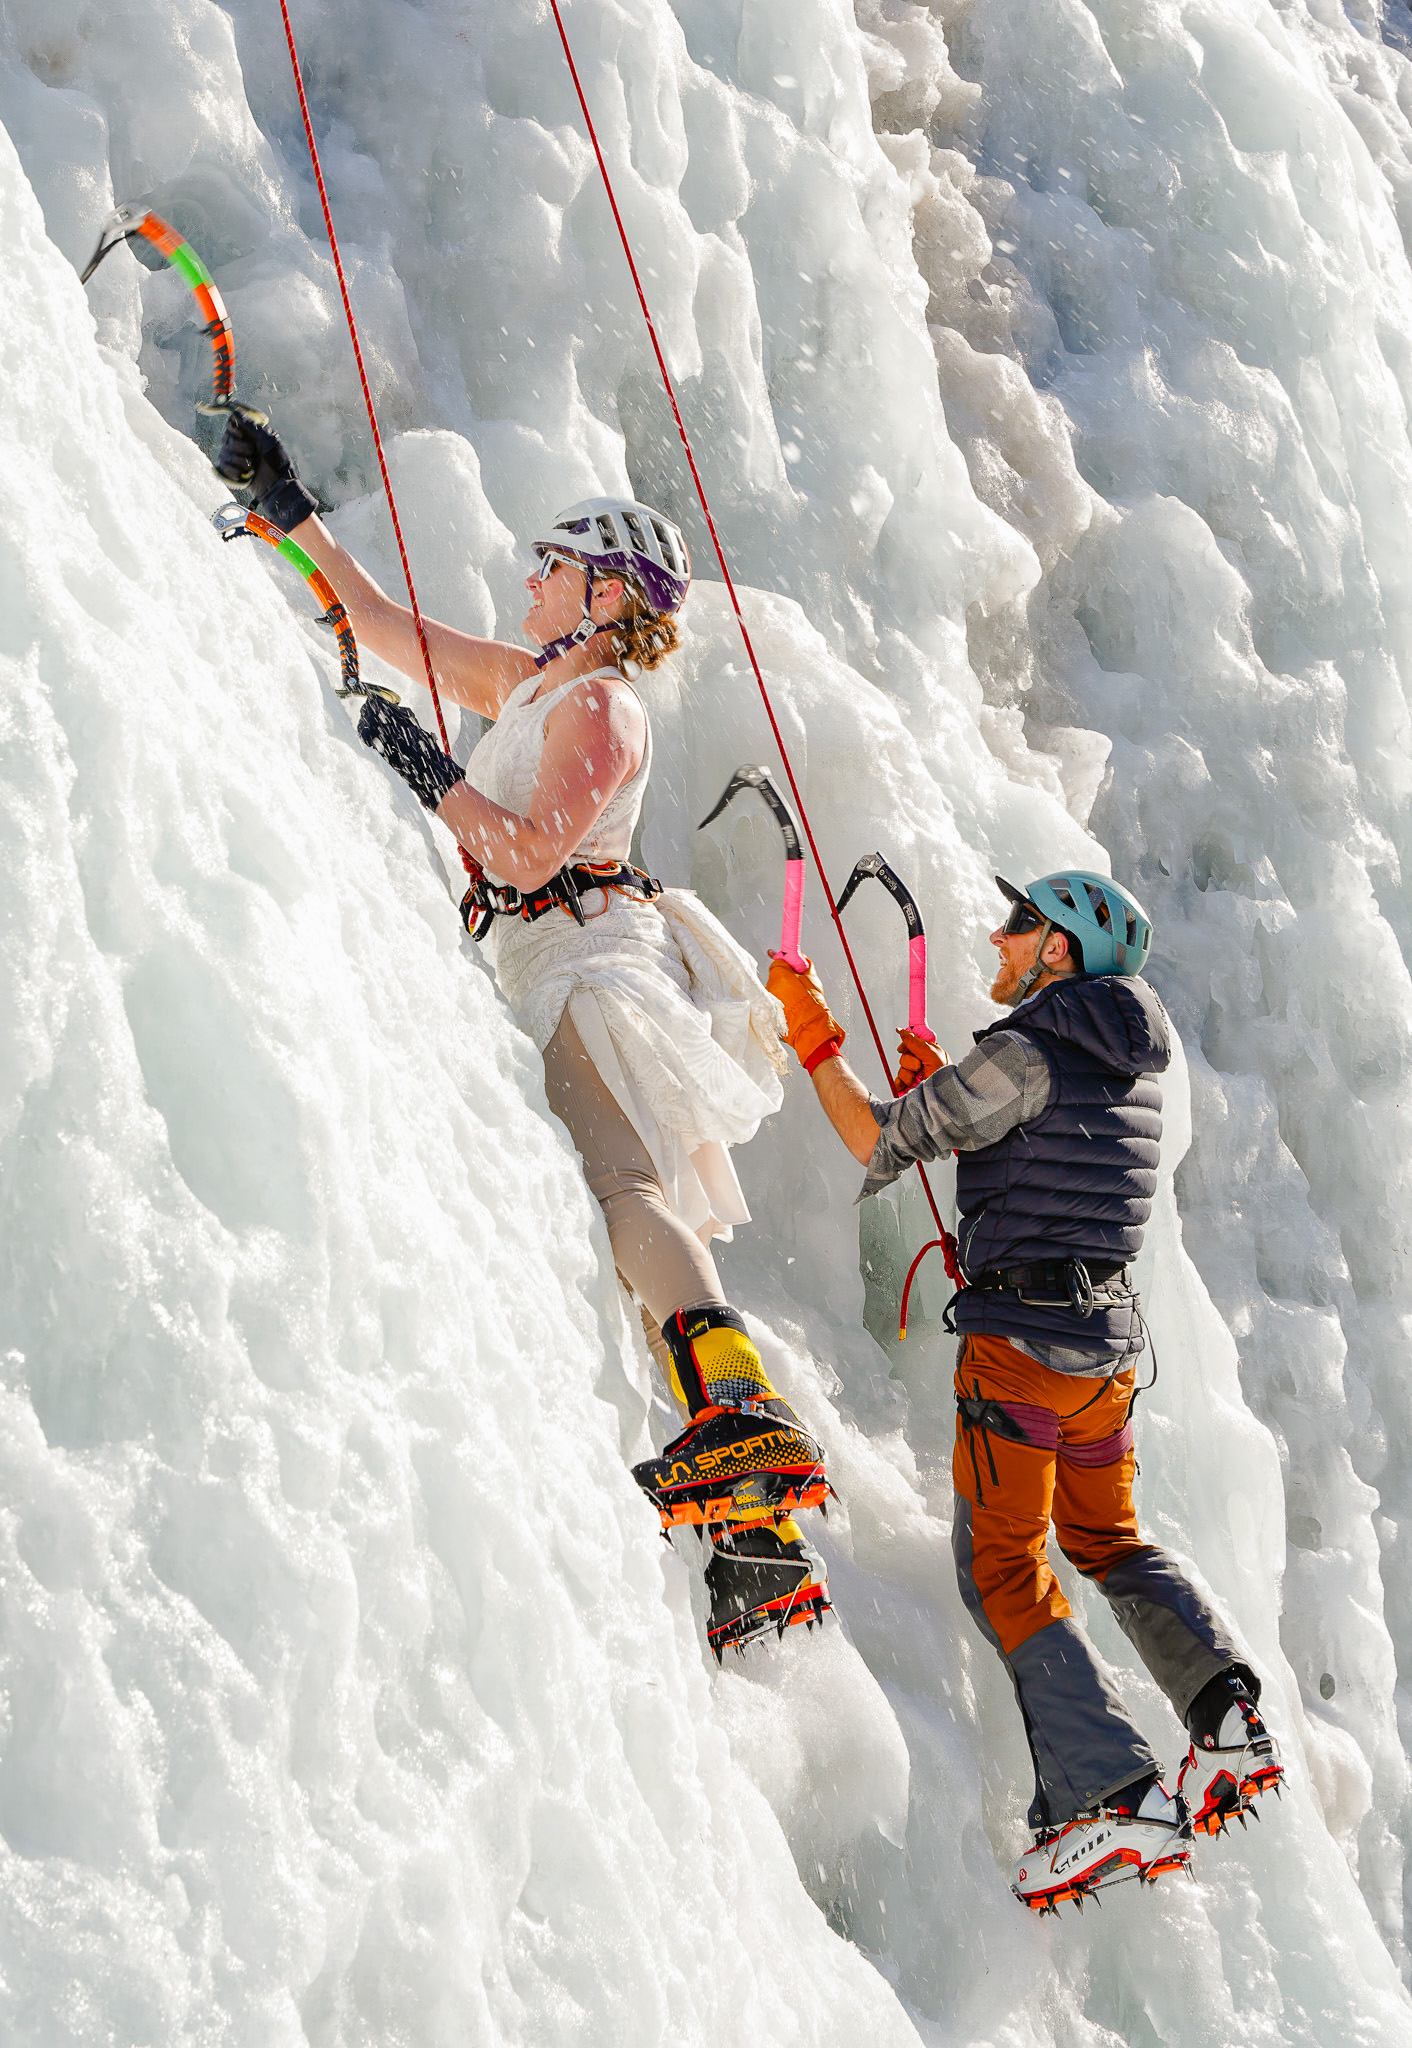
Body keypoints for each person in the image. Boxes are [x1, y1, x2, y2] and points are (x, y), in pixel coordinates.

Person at [215, 412, 831, 1657]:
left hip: (587, 963)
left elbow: (528, 849)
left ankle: (746, 1410)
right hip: (553, 959)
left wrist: (426, 769)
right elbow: (389, 630)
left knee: (621, 1190)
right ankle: (754, 1532)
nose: (529, 577)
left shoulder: (600, 705)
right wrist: (293, 508)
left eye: (552, 563)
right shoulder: (539, 680)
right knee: (622, 1209)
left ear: (606, 591)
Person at [766, 870, 1283, 1909]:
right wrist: (949, 1093)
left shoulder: (1028, 1046)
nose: (998, 939)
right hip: (1101, 1360)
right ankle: (1225, 1719)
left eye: (1019, 925)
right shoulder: (1124, 1060)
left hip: (1020, 1354)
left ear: (1058, 952)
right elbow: (1039, 1144)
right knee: (1108, 1540)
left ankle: (1107, 1790)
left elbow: (876, 1137)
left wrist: (809, 1030)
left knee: (1002, 1563)